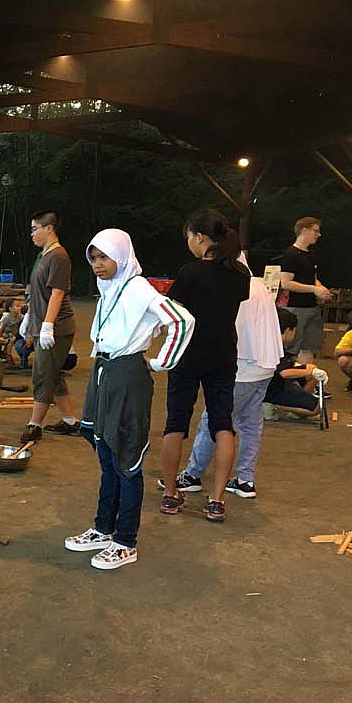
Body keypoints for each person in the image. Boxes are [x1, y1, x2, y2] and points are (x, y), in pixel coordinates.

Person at [65, 229, 194, 570]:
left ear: (122, 256)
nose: (98, 265)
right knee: (107, 454)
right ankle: (103, 528)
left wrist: (161, 362)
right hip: (105, 370)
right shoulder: (109, 288)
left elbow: (182, 320)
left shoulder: (137, 287)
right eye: (93, 258)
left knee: (125, 458)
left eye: (105, 257)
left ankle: (125, 541)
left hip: (127, 374)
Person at [160, 209, 251, 523]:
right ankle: (216, 500)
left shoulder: (190, 272)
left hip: (187, 355)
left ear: (199, 236)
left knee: (176, 423)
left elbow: (175, 315)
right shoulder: (240, 273)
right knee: (223, 425)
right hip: (223, 355)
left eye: (188, 236)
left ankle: (170, 494)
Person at [168, 254, 283, 500]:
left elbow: (229, 327)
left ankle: (192, 475)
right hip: (266, 363)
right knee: (250, 424)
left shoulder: (232, 284)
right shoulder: (257, 284)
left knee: (216, 422)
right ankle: (245, 479)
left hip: (243, 365)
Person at [20, 210, 79, 441]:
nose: (32, 234)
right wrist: (29, 317)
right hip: (42, 324)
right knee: (54, 375)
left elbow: (57, 292)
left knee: (43, 375)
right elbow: (37, 291)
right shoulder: (43, 255)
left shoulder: (59, 256)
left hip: (57, 328)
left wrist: (47, 325)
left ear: (49, 228)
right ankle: (70, 420)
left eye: (35, 229)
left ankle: (34, 424)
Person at [279, 216, 332, 364]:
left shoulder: (310, 254)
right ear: (304, 230)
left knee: (309, 347)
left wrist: (321, 288)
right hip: (295, 307)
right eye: (315, 231)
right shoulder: (290, 254)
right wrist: (313, 289)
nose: (318, 235)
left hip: (312, 307)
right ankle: (287, 374)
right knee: (290, 348)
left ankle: (306, 376)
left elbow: (312, 278)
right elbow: (286, 283)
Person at [264, 308, 327, 419]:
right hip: (271, 388)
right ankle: (270, 404)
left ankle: (296, 403)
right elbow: (284, 373)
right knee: (318, 408)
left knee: (311, 369)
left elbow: (284, 365)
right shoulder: (275, 346)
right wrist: (311, 372)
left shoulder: (271, 341)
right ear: (288, 330)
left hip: (273, 382)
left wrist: (309, 369)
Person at [0, 297, 25, 365]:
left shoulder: (20, 316)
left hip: (7, 332)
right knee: (1, 341)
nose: (20, 308)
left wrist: (13, 335)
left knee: (10, 340)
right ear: (10, 309)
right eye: (17, 306)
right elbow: (1, 327)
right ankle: (1, 353)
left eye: (20, 306)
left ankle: (7, 354)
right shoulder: (7, 316)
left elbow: (16, 327)